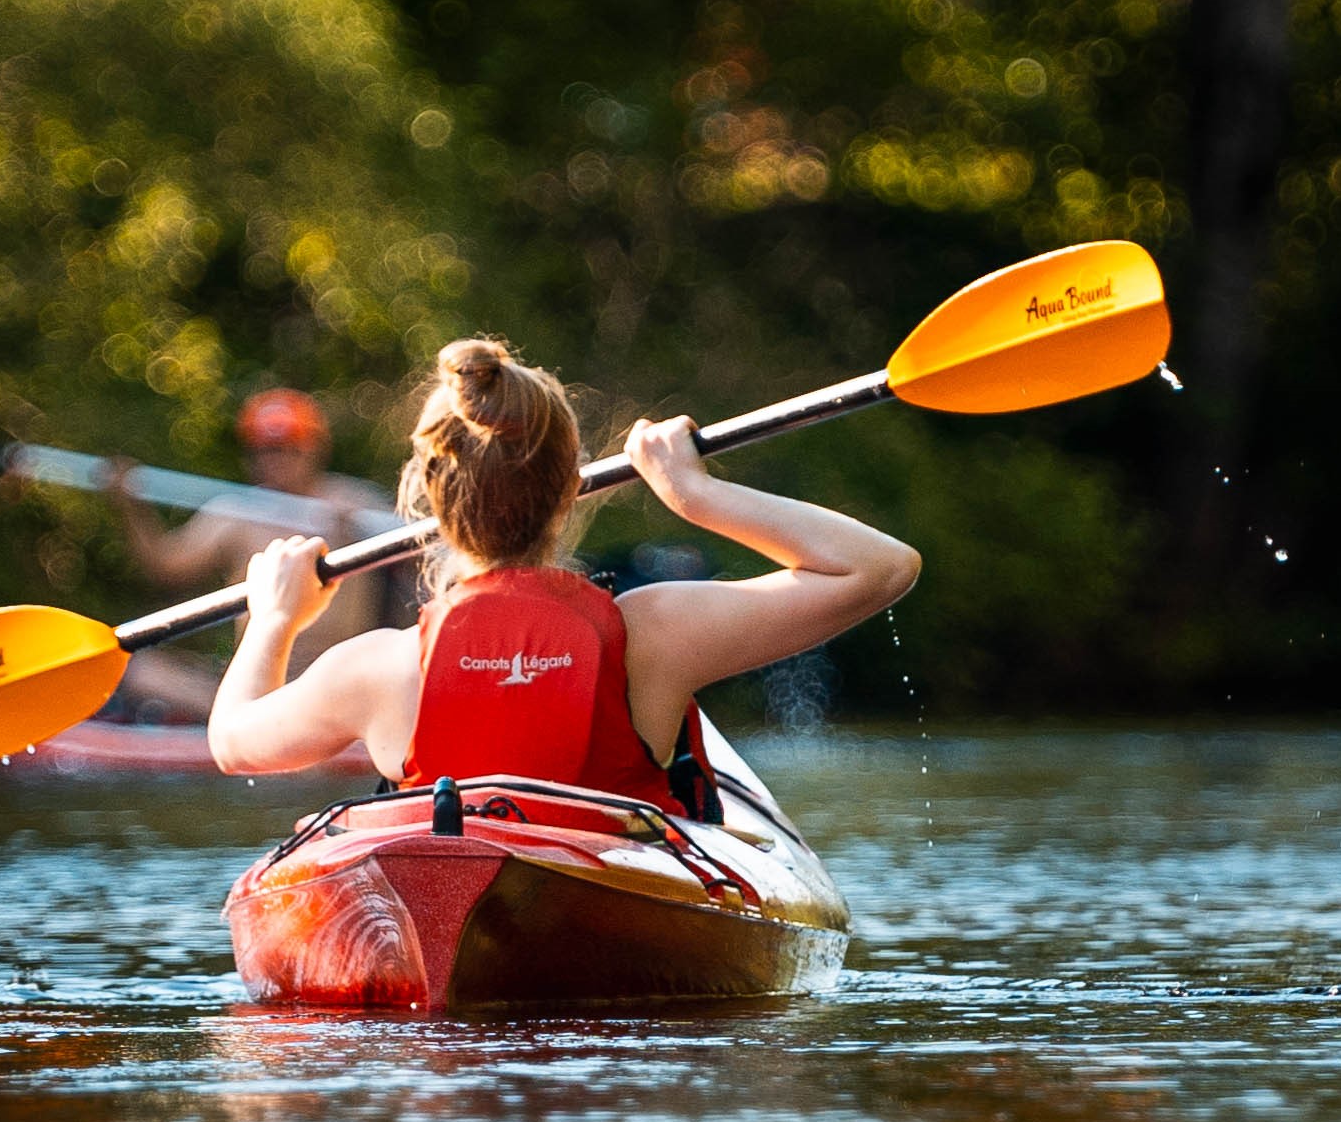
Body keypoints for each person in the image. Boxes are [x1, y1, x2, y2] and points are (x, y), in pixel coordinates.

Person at [206, 339, 920, 799]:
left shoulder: (380, 668)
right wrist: (698, 495)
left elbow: (232, 741)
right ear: (569, 491)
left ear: (427, 495)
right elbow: (880, 568)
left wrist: (273, 619)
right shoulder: (654, 631)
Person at [107, 388, 392, 724]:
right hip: (262, 681)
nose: (276, 460)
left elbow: (423, 548)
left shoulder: (356, 503)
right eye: (266, 449)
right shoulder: (237, 512)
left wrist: (364, 528)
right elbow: (167, 566)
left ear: (313, 447)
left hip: (341, 678)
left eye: (288, 448)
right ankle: (239, 724)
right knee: (140, 670)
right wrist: (129, 507)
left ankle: (293, 724)